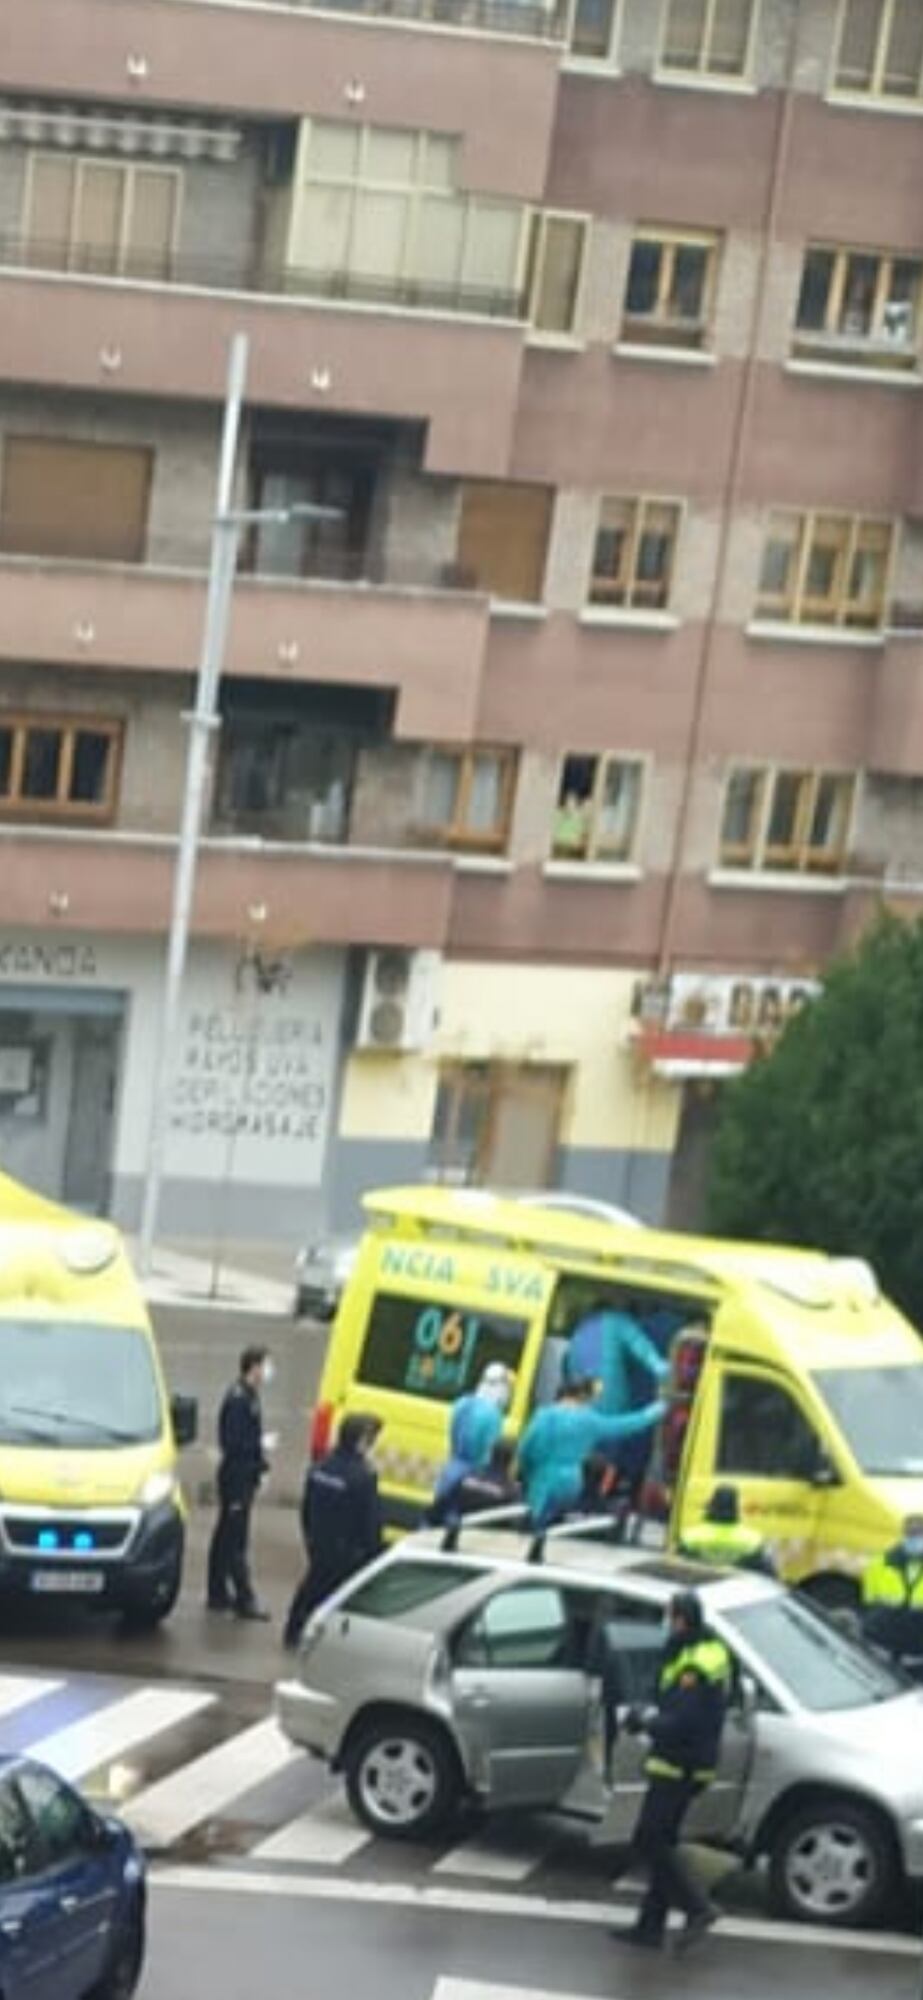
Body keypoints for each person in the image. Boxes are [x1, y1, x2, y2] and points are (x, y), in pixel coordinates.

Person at [612, 1589, 730, 1955]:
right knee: (662, 1841)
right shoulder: (702, 1651)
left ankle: (698, 1907)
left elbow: (683, 1720)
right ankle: (650, 1927)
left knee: (648, 1840)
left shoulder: (694, 1664)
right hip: (688, 1763)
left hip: (680, 1765)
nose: (667, 1624)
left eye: (670, 1617)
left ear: (681, 1619)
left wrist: (644, 1722)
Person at [283, 1413, 382, 1650]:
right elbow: (369, 1519)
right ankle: (328, 1640)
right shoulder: (363, 1476)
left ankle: (294, 1629)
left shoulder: (320, 1467)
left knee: (312, 1585)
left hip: (318, 1541)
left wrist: (310, 1536)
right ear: (361, 1441)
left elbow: (306, 1508)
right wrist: (370, 1551)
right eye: (370, 1440)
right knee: (341, 1596)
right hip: (346, 1548)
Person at [518, 1378, 666, 1529]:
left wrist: (526, 1472)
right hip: (572, 1480)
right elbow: (623, 1425)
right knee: (558, 1515)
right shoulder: (589, 1420)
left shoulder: (543, 1416)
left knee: (538, 1518)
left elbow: (526, 1448)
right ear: (583, 1397)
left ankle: (540, 1530)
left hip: (544, 1478)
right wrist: (655, 1411)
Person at [206, 1344, 272, 1621]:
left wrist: (261, 1464)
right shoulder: (239, 1399)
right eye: (266, 1365)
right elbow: (233, 1443)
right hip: (237, 1477)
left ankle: (217, 1593)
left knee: (225, 1535)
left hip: (243, 1474)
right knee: (235, 1538)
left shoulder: (249, 1396)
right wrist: (259, 1447)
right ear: (254, 1367)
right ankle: (245, 1599)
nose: (268, 1371)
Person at [564, 1296, 670, 1419]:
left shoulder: (579, 1332)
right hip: (614, 1406)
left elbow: (569, 1368)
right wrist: (663, 1369)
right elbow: (643, 1349)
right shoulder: (618, 1321)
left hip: (584, 1409)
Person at [432, 1362, 513, 1510]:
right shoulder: (493, 1414)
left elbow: (453, 1434)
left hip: (451, 1469)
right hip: (470, 1476)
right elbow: (486, 1452)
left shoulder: (462, 1403)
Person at [861, 1514, 923, 1664]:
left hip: (915, 1654)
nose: (914, 1539)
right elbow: (867, 1602)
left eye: (919, 1533)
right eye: (910, 1533)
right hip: (879, 1646)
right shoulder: (880, 1563)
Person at [678, 1485, 775, 1575]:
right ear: (736, 1508)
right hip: (739, 1586)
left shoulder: (690, 1537)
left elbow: (678, 1570)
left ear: (711, 1505)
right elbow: (766, 1576)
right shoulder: (753, 1540)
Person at [429, 1438, 521, 1527]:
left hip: (457, 1531)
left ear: (490, 1455)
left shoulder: (468, 1479)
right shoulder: (511, 1492)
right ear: (512, 1462)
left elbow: (440, 1508)